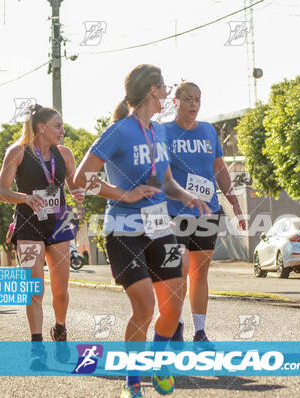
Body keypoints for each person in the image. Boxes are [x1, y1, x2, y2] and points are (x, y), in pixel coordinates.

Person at [74, 64, 209, 398]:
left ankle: (160, 362)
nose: (168, 92)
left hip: (159, 225)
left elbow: (164, 181)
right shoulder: (119, 132)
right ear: (153, 90)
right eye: (164, 86)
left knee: (174, 305)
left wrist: (186, 196)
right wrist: (125, 194)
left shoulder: (159, 131)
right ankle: (132, 379)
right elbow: (80, 179)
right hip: (123, 228)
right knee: (145, 307)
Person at [0, 103, 84, 369]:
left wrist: (79, 197)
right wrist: (25, 197)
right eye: (58, 126)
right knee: (34, 287)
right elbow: (1, 191)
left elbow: (75, 187)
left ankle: (60, 328)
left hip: (58, 225)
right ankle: (36, 346)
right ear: (41, 128)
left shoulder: (64, 153)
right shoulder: (17, 152)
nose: (63, 131)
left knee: (61, 289)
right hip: (28, 226)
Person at [163, 82, 246, 344]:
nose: (194, 104)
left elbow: (220, 169)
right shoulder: (164, 132)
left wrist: (234, 203)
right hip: (175, 212)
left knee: (199, 273)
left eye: (198, 99)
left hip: (207, 211)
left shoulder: (209, 131)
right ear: (175, 102)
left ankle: (199, 331)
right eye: (188, 99)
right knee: (179, 268)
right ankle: (175, 326)